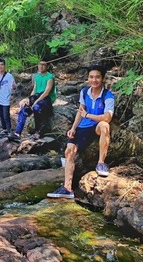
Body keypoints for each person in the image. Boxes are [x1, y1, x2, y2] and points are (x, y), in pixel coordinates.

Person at [47, 65, 115, 199]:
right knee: (69, 150)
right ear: (88, 78)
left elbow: (107, 117)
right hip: (83, 128)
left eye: (97, 77)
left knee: (104, 125)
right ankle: (67, 188)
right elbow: (80, 111)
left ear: (102, 79)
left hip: (96, 126)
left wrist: (88, 115)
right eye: (91, 77)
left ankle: (101, 163)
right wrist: (73, 128)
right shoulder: (85, 92)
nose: (94, 80)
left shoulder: (108, 96)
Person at [8, 61, 56, 142]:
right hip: (37, 96)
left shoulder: (50, 77)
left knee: (36, 108)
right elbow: (34, 90)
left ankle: (38, 132)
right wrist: (29, 99)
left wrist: (36, 101)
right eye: (40, 64)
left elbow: (46, 92)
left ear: (47, 67)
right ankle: (17, 133)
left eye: (44, 65)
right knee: (23, 109)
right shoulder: (37, 76)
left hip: (46, 99)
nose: (41, 66)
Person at [0, 58, 16, 138]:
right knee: (1, 115)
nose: (0, 66)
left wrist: (13, 86)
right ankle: (4, 129)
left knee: (6, 115)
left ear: (4, 66)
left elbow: (14, 86)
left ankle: (9, 131)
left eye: (2, 65)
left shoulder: (9, 76)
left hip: (6, 99)